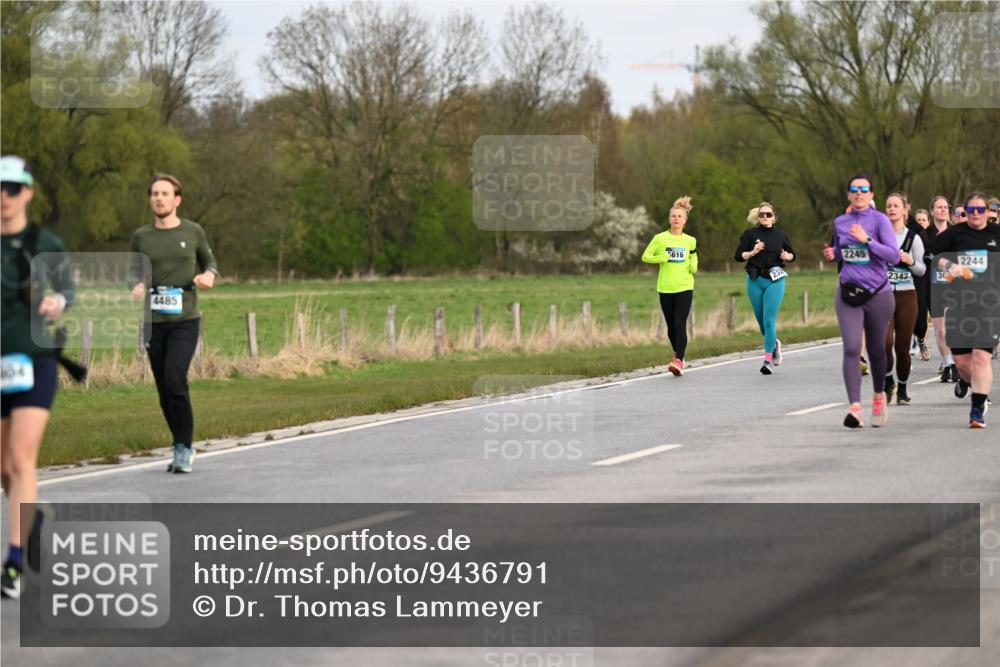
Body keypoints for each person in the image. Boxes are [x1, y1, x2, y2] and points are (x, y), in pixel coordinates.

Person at [1, 156, 75, 598]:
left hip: (34, 361)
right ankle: (34, 519)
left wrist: (57, 303)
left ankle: (11, 563)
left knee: (22, 458)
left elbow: (67, 289)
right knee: (5, 468)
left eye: (12, 188)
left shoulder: (45, 242)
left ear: (27, 191)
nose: (4, 197)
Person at [127, 174, 218, 473]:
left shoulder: (193, 232)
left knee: (174, 379)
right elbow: (132, 271)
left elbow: (210, 263)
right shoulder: (142, 236)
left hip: (185, 320)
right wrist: (135, 286)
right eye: (154, 193)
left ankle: (184, 447)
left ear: (177, 199)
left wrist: (208, 278)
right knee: (164, 390)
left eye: (165, 193)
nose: (159, 198)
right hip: (154, 323)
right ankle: (179, 442)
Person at [823, 174, 899, 428]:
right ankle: (855, 408)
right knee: (852, 348)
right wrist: (833, 254)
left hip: (878, 293)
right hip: (848, 292)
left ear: (871, 194)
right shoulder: (840, 222)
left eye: (864, 189)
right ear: (848, 194)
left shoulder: (880, 221)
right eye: (854, 189)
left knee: (877, 350)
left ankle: (879, 396)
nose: (859, 193)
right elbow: (841, 251)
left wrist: (866, 240)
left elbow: (894, 256)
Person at [929, 191, 1000, 428]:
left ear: (989, 212)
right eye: (971, 210)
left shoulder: (996, 235)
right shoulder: (954, 234)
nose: (976, 214)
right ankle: (977, 388)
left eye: (981, 210)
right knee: (962, 363)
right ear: (965, 213)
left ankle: (977, 408)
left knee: (981, 357)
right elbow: (934, 255)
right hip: (959, 303)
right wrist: (949, 264)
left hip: (990, 304)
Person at [734, 202, 795, 374]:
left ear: (774, 217)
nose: (765, 217)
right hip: (755, 279)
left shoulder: (781, 235)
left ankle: (767, 360)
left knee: (769, 321)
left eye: (769, 214)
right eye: (762, 215)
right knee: (762, 324)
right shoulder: (750, 234)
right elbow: (738, 256)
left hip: (775, 281)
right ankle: (774, 343)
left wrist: (786, 256)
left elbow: (792, 255)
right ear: (758, 217)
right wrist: (752, 252)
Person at [642, 196, 698, 376]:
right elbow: (646, 257)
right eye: (673, 216)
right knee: (671, 327)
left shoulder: (690, 240)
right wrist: (662, 257)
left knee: (680, 323)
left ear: (684, 220)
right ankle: (677, 353)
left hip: (684, 286)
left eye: (679, 216)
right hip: (665, 287)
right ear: (669, 219)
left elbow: (693, 255)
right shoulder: (659, 239)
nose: (676, 219)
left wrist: (693, 264)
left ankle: (679, 360)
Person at [882, 193, 926, 405]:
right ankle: (888, 380)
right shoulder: (878, 236)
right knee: (884, 343)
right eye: (888, 206)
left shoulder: (913, 238)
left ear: (904, 210)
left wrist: (909, 261)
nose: (891, 209)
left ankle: (902, 388)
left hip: (907, 296)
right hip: (883, 295)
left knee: (901, 347)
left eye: (895, 206)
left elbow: (922, 270)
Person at [927, 196, 958, 382]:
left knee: (952, 328)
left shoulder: (956, 232)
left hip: (955, 287)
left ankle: (955, 362)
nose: (942, 210)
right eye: (939, 207)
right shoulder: (925, 235)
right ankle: (948, 363)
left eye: (945, 207)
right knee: (940, 329)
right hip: (934, 286)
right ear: (932, 211)